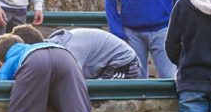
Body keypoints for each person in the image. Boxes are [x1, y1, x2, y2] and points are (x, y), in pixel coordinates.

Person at [11, 24, 141, 79]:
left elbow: (73, 79)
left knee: (101, 97)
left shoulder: (67, 50)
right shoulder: (51, 46)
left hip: (124, 63)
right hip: (100, 66)